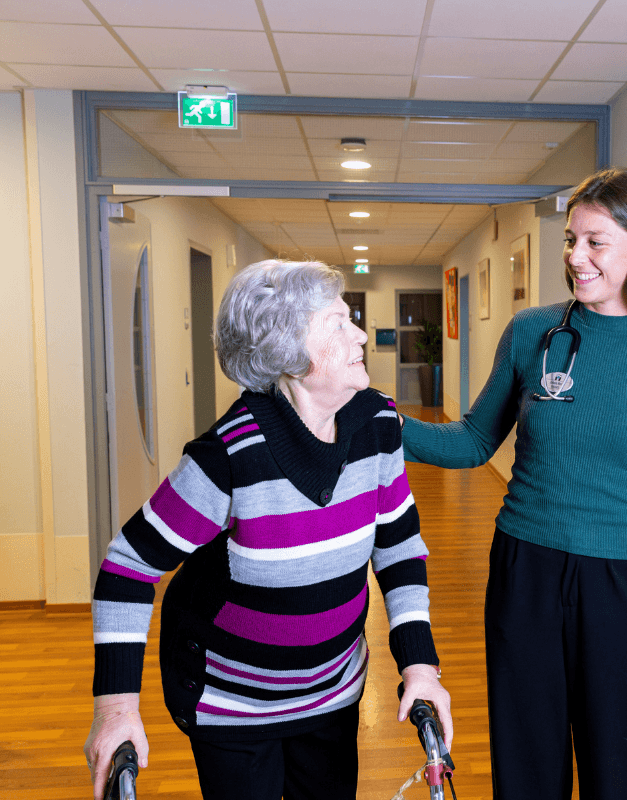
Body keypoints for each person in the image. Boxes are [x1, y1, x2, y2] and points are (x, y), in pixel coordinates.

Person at [401, 167, 627, 800]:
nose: (575, 257)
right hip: (526, 572)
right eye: (571, 240)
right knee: (525, 770)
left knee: (613, 774)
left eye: (595, 241)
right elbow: (470, 443)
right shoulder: (533, 334)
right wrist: (373, 414)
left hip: (621, 590)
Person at [84, 260, 452, 800]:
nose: (359, 334)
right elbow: (126, 568)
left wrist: (421, 668)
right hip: (233, 704)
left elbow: (398, 549)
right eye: (336, 323)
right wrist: (115, 708)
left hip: (333, 693)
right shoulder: (229, 456)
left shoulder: (377, 425)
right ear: (289, 353)